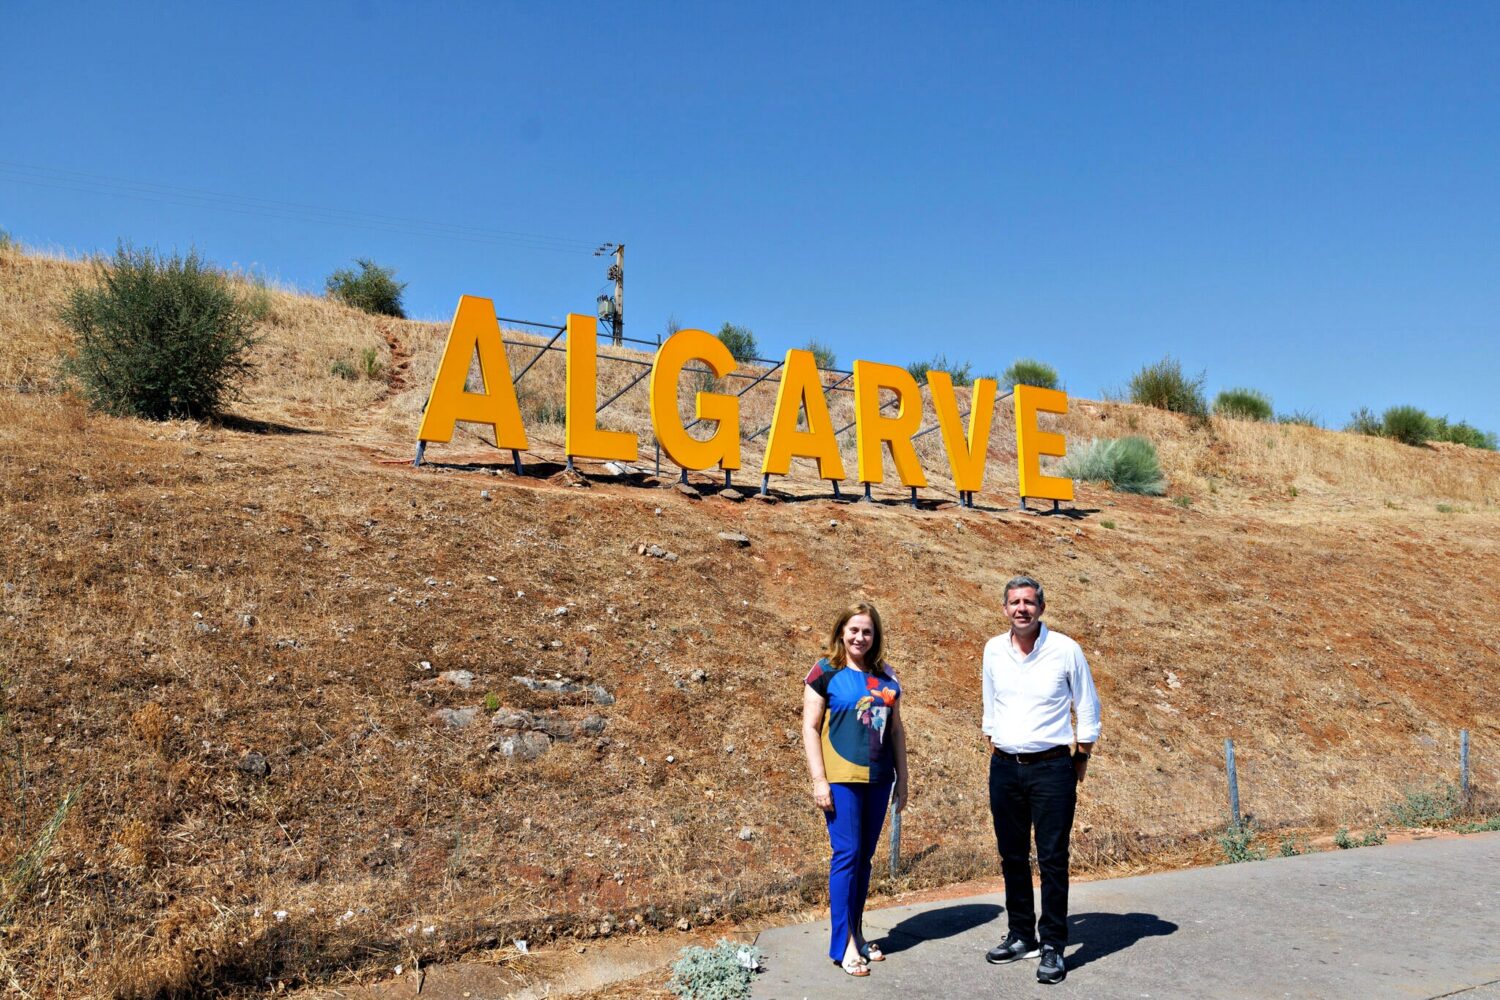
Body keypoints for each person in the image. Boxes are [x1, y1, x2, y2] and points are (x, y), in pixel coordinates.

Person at [981, 575, 1101, 986]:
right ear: (1004, 609)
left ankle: (1052, 945)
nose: (1021, 609)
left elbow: (1087, 706)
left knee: (1052, 859)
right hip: (1005, 767)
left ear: (1041, 608)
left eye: (1028, 602)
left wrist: (1081, 756)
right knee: (1012, 855)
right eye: (1014, 602)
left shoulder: (1066, 650)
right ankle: (1020, 935)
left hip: (1052, 768)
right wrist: (994, 741)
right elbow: (989, 702)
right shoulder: (993, 650)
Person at [802, 601, 909, 977]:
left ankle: (858, 934)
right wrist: (819, 780)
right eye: (854, 630)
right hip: (841, 779)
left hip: (879, 779)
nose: (860, 637)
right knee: (846, 855)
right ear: (841, 632)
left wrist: (903, 778)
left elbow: (896, 730)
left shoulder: (887, 675)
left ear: (874, 635)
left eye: (867, 630)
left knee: (863, 859)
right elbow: (810, 728)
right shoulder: (824, 672)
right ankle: (843, 944)